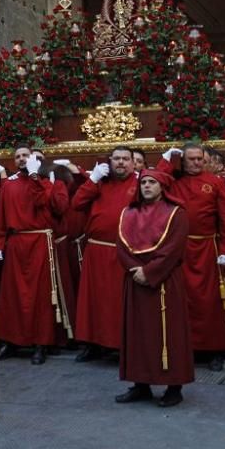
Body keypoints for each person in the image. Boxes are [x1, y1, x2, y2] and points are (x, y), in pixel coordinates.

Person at [115, 168, 193, 407]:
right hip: (135, 281)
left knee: (170, 333)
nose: (146, 186)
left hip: (165, 281)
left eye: (152, 182)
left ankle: (174, 386)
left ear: (162, 186)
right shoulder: (128, 212)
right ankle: (141, 384)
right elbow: (121, 246)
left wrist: (148, 272)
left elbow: (173, 249)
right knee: (137, 333)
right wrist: (134, 269)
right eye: (143, 182)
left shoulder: (176, 213)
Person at [158, 144, 225, 371]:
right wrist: (166, 160)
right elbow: (155, 181)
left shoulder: (216, 183)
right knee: (182, 301)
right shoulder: (173, 181)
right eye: (190, 159)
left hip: (207, 249)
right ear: (182, 161)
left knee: (210, 301)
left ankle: (215, 350)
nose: (195, 163)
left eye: (199, 159)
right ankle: (187, 348)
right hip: (179, 249)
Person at [0, 147, 69, 364]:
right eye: (17, 157)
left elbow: (49, 205)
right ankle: (9, 340)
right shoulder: (9, 186)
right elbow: (2, 217)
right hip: (16, 242)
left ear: (35, 159)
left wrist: (36, 177)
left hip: (39, 242)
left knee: (40, 295)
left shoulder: (47, 182)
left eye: (26, 155)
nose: (22, 159)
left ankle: (40, 343)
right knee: (12, 294)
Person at [71, 147, 138, 361]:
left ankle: (122, 344)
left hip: (126, 251)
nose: (120, 163)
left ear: (133, 163)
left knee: (119, 301)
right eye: (116, 159)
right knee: (94, 300)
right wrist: (92, 180)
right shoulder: (99, 182)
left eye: (125, 159)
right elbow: (77, 203)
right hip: (97, 249)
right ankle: (92, 344)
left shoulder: (141, 182)